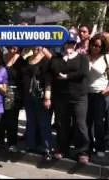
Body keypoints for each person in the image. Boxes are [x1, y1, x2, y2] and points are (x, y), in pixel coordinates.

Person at [49, 34, 90, 164]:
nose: (69, 45)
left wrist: (66, 76)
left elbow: (82, 73)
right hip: (61, 96)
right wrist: (65, 59)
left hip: (79, 97)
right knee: (62, 124)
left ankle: (82, 151)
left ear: (76, 44)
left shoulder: (83, 58)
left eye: (72, 43)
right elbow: (55, 69)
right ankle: (62, 148)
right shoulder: (57, 58)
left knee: (80, 124)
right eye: (67, 43)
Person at [20, 46, 53, 160]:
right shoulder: (27, 59)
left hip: (40, 97)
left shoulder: (45, 61)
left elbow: (48, 81)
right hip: (28, 97)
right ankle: (30, 146)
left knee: (44, 123)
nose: (36, 47)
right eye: (34, 45)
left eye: (39, 45)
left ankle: (47, 148)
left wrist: (47, 98)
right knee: (31, 122)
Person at [0, 46, 25, 152]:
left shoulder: (21, 60)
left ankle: (12, 143)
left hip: (14, 93)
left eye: (14, 45)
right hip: (0, 91)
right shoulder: (1, 58)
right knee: (0, 118)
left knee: (12, 119)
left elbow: (22, 79)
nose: (11, 47)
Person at [86, 34, 109, 157]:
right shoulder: (85, 57)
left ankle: (100, 147)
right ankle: (89, 146)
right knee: (87, 122)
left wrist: (107, 89)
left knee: (99, 122)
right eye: (94, 45)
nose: (95, 48)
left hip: (100, 94)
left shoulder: (106, 58)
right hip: (86, 93)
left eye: (98, 46)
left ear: (102, 47)